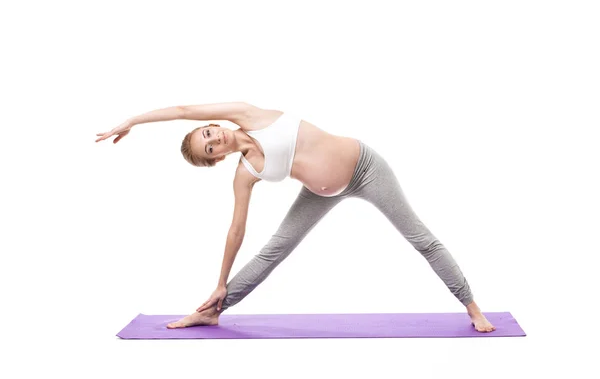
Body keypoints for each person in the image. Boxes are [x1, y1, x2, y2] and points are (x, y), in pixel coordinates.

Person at [95, 102, 496, 332]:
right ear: (216, 161)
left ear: (214, 126)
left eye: (208, 136)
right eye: (210, 152)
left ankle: (471, 306)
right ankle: (212, 309)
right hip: (320, 193)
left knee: (420, 238)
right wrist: (219, 282)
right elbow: (237, 229)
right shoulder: (244, 173)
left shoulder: (247, 114)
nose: (215, 143)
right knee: (275, 250)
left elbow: (183, 109)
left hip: (366, 168)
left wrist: (132, 120)